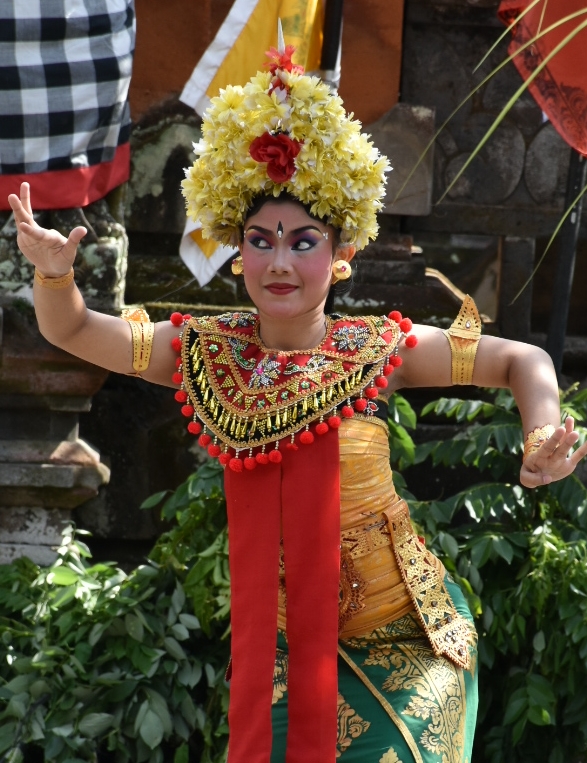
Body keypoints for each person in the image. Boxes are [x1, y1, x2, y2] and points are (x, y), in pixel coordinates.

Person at [8, 37, 587, 763]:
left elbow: (522, 359)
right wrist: (55, 277)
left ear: (340, 253)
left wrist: (540, 433)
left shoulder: (380, 347)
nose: (279, 262)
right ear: (237, 249)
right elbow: (70, 330)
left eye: (303, 241)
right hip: (283, 652)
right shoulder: (204, 352)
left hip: (407, 639)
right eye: (260, 240)